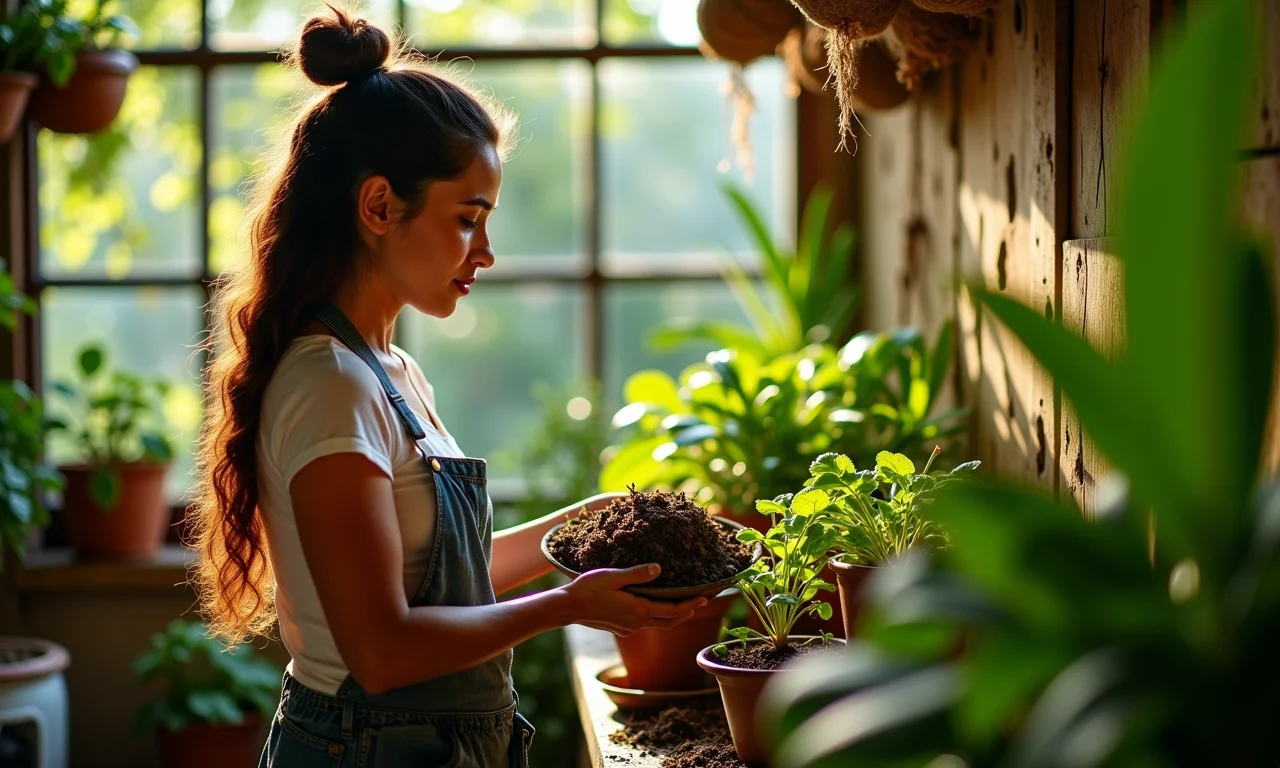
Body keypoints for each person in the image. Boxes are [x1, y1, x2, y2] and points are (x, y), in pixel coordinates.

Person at [188, 7, 707, 766]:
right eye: (468, 218)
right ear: (378, 206)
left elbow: (442, 583)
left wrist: (590, 523)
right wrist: (564, 607)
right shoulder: (330, 385)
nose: (486, 252)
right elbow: (383, 651)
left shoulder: (390, 370)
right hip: (365, 748)